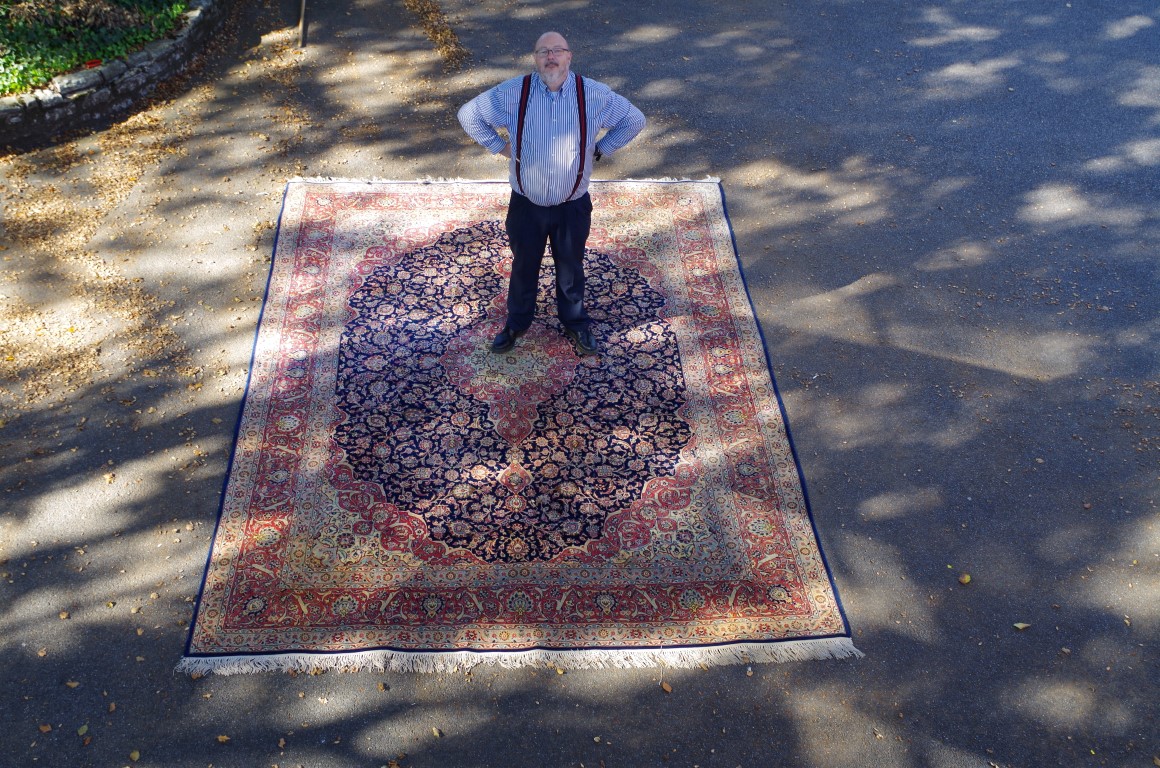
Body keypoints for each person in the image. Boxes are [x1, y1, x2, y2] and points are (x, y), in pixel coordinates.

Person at [458, 31, 646, 356]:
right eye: (543, 51)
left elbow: (633, 119)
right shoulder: (512, 93)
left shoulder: (595, 95)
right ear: (535, 58)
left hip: (572, 206)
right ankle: (516, 324)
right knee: (523, 266)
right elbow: (469, 115)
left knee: (571, 268)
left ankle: (575, 324)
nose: (551, 57)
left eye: (557, 50)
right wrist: (501, 148)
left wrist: (600, 149)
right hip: (526, 206)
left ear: (569, 56)